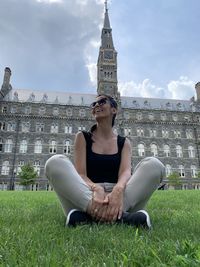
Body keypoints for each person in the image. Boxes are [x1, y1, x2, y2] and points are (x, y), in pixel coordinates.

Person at [45, 95, 166, 228]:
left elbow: (125, 172)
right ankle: (123, 218)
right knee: (55, 162)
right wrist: (97, 188)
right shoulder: (83, 137)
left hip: (120, 199)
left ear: (114, 110)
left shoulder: (124, 142)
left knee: (154, 165)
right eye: (94, 104)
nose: (97, 105)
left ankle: (85, 218)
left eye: (102, 102)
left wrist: (117, 191)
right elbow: (81, 174)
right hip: (87, 195)